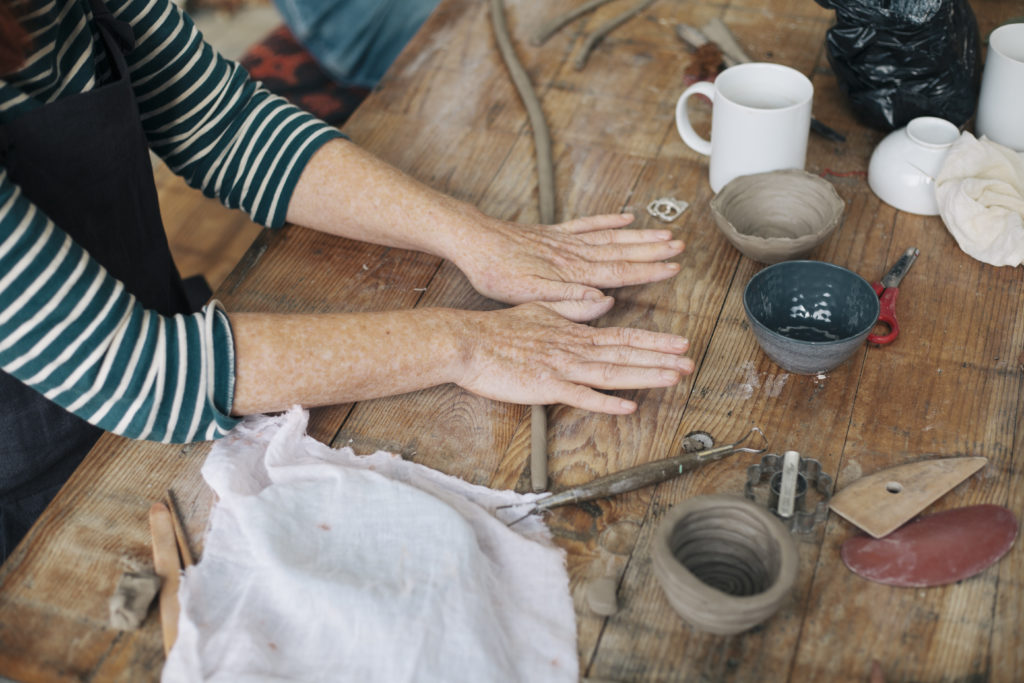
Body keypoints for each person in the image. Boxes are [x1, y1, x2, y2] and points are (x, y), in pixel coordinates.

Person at [0, 0, 693, 560]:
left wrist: (473, 236)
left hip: (177, 362)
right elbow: (134, 369)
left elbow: (229, 126)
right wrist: (467, 342)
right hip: (33, 467)